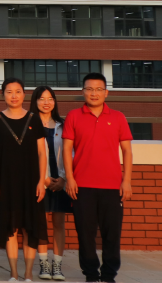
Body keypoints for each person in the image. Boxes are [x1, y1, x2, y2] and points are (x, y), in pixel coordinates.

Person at [63, 72, 133, 283]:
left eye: (98, 89)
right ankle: (91, 275)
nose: (94, 93)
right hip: (82, 186)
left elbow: (127, 151)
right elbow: (66, 149)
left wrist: (126, 181)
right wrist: (70, 178)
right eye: (89, 89)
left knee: (112, 234)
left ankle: (109, 275)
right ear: (83, 91)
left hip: (112, 186)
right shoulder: (73, 116)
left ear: (106, 92)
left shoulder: (118, 117)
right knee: (85, 234)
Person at [0, 77, 47, 282]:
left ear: (24, 94)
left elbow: (42, 152)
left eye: (18, 91)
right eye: (9, 92)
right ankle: (13, 273)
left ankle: (28, 273)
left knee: (30, 228)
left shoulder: (34, 119)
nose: (14, 96)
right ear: (2, 95)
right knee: (10, 228)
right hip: (6, 182)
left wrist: (41, 181)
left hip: (31, 182)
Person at [31, 86, 71, 282]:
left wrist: (63, 178)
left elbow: (70, 153)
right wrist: (44, 178)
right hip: (39, 180)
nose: (46, 102)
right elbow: (30, 155)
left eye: (50, 98)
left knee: (58, 223)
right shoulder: (30, 124)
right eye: (42, 98)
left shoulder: (63, 125)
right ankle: (44, 264)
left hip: (60, 180)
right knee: (41, 223)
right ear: (35, 101)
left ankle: (57, 265)